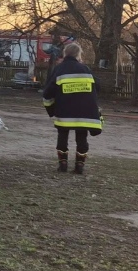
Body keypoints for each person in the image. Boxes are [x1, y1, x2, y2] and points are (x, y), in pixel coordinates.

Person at [42, 42, 103, 174]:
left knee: (62, 136)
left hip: (64, 112)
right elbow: (97, 86)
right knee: (82, 138)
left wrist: (51, 110)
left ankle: (62, 164)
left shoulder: (59, 69)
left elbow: (47, 94)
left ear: (65, 54)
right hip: (84, 113)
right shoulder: (85, 69)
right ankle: (79, 166)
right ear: (78, 54)